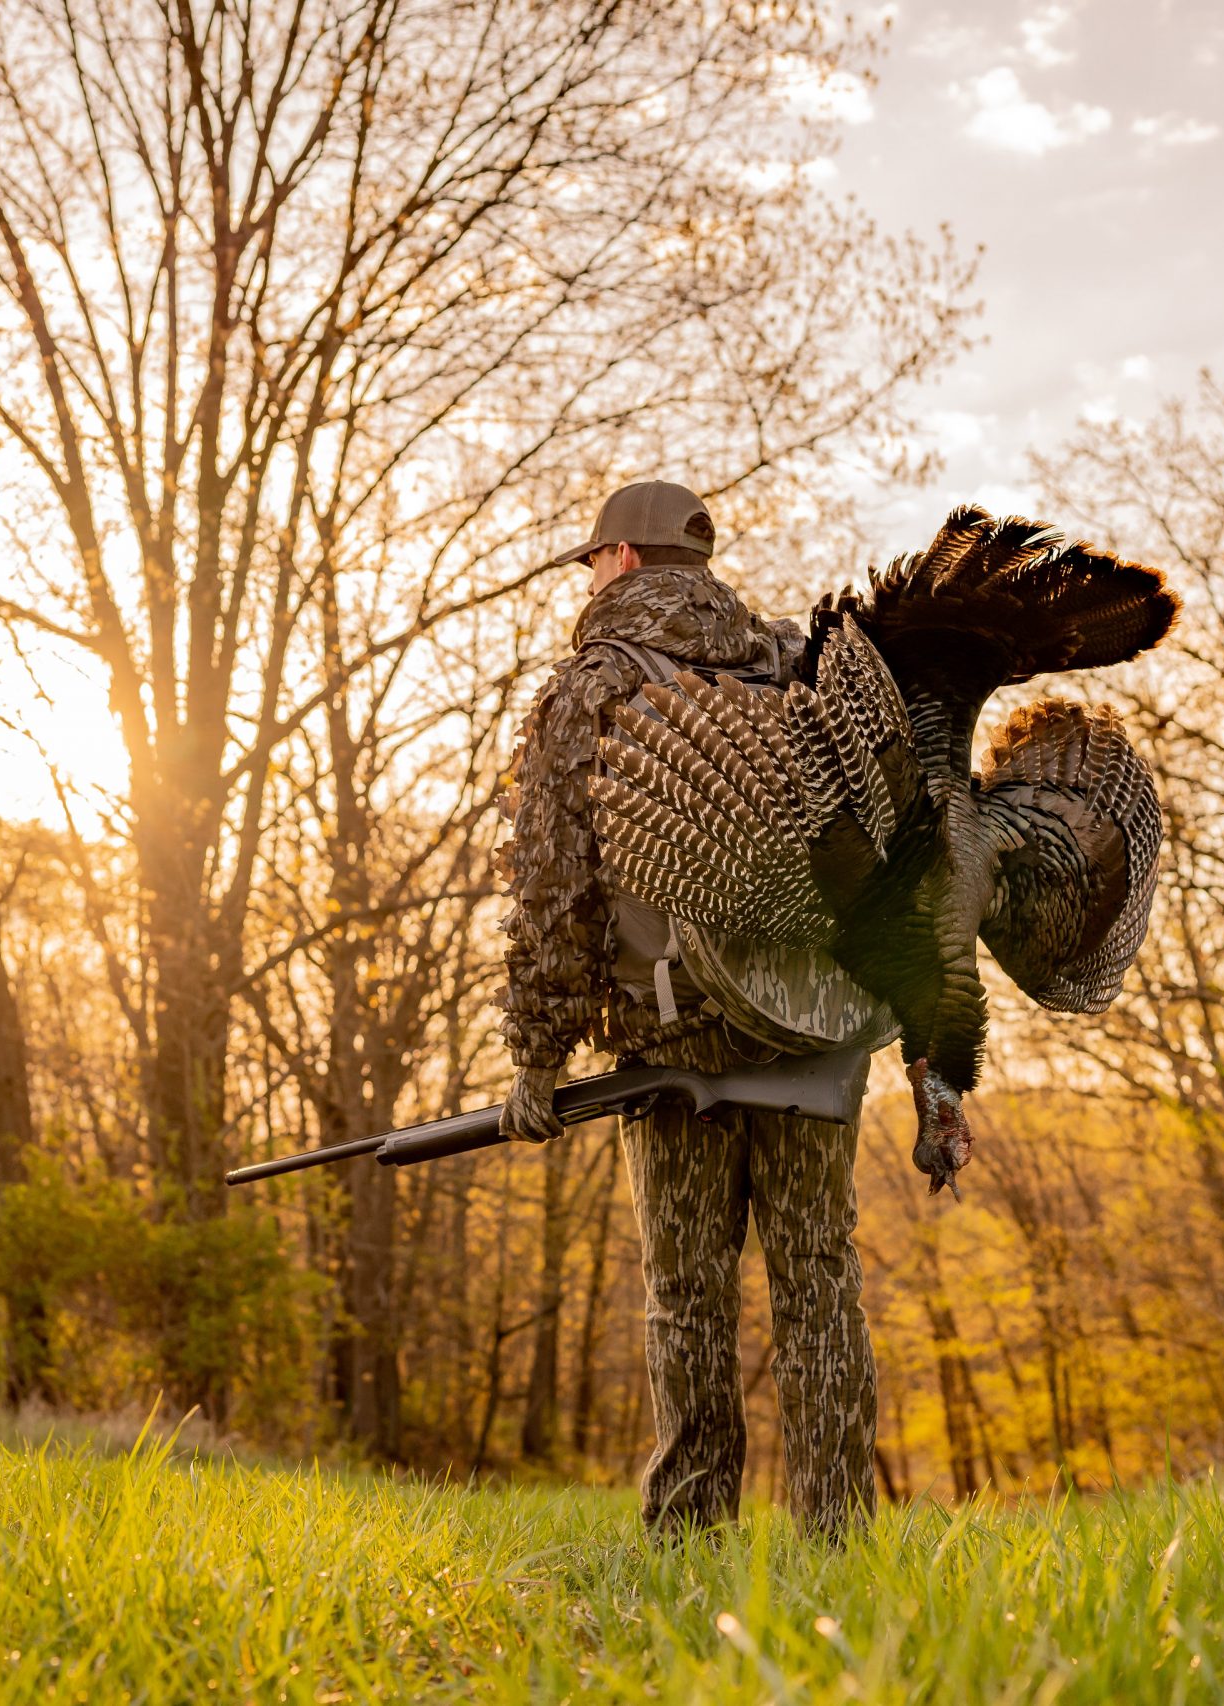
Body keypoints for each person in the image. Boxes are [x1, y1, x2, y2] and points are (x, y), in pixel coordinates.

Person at [495, 480, 878, 1536]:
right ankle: (840, 1541)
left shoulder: (599, 680)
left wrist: (537, 1053)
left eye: (590, 561)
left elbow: (550, 876)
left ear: (617, 558)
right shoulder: (799, 666)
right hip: (818, 1019)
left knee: (688, 1293)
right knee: (819, 1285)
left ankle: (691, 1539)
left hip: (673, 1028)